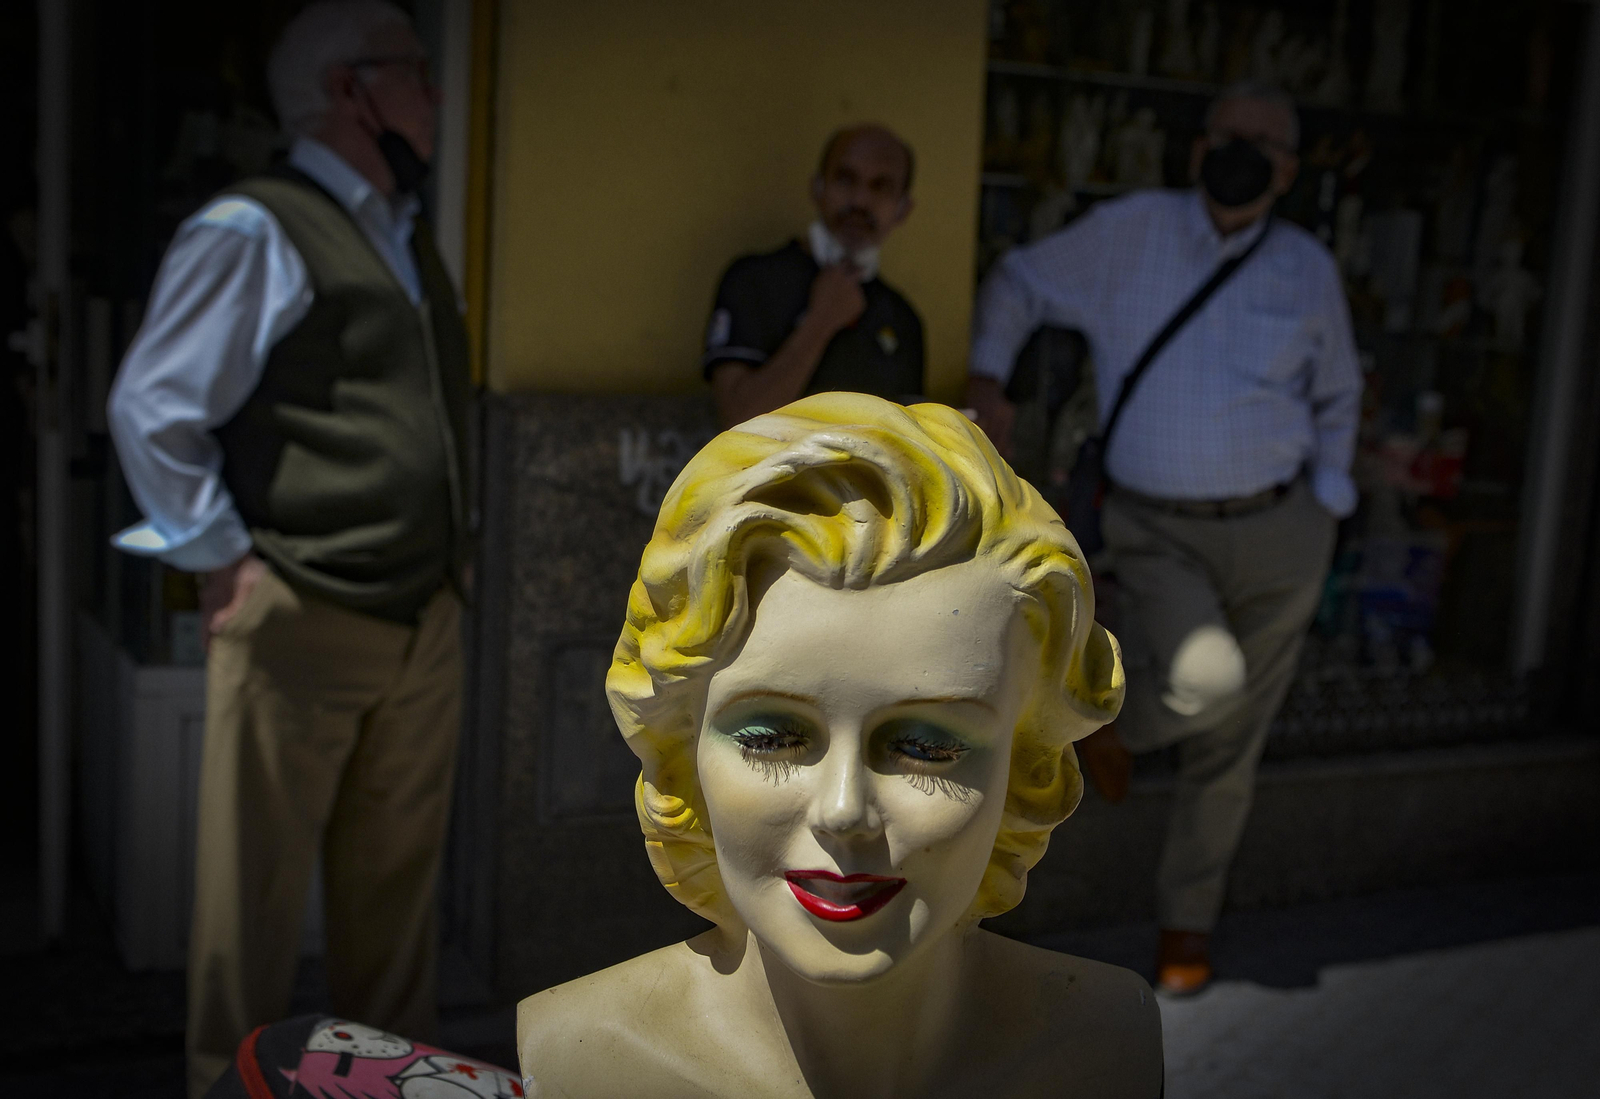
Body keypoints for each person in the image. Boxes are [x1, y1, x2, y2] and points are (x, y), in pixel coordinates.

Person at [518, 393, 1160, 1098]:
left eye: (925, 744)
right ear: (681, 748)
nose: (843, 810)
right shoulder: (577, 1059)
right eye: (771, 737)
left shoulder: (1104, 1045)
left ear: (1027, 762)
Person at [105, 3, 471, 1092]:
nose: (434, 94)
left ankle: (388, 1087)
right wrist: (222, 554)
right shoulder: (258, 226)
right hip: (303, 611)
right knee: (251, 912)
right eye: (415, 73)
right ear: (351, 91)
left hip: (422, 615)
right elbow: (152, 407)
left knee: (394, 910)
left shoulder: (398, 226)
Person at [965, 82, 1362, 995]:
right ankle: (1107, 729)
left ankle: (1188, 922)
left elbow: (1338, 390)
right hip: (1157, 530)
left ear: (1291, 170)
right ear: (1199, 146)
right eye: (1231, 133)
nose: (1243, 151)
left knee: (1235, 747)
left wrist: (1331, 496)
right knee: (1205, 679)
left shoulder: (1307, 268)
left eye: (1266, 143)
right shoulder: (1133, 231)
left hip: (1283, 530)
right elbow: (1020, 280)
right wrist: (990, 376)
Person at [703, 125, 925, 428]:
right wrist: (821, 321)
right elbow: (739, 419)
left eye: (880, 186)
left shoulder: (903, 318)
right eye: (845, 180)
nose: (860, 200)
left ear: (903, 209)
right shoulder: (752, 280)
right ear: (817, 188)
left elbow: (909, 445)